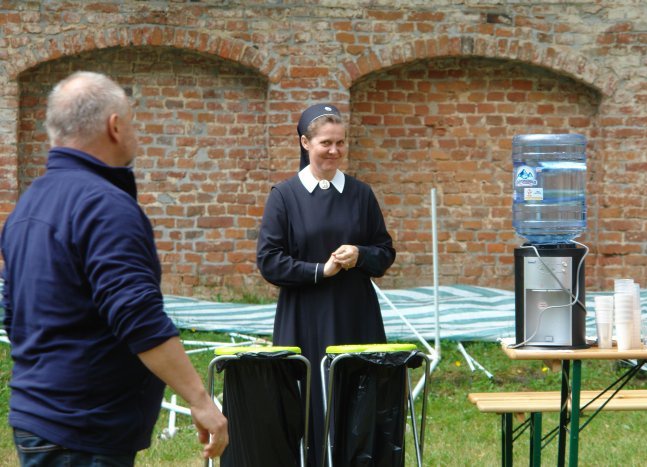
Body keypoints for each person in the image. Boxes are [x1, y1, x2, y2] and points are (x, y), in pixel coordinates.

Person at [1, 71, 228, 466]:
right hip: (82, 432)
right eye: (133, 122)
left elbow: (12, 314)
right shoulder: (104, 207)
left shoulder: (28, 205)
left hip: (38, 418)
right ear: (115, 126)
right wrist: (200, 399)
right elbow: (136, 314)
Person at [257, 103, 396, 466]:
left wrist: (361, 254)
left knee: (356, 402)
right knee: (307, 405)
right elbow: (269, 261)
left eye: (340, 143)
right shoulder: (284, 196)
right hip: (304, 317)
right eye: (325, 143)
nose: (334, 151)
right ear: (305, 142)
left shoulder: (361, 194)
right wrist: (320, 271)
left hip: (355, 315)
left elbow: (385, 252)